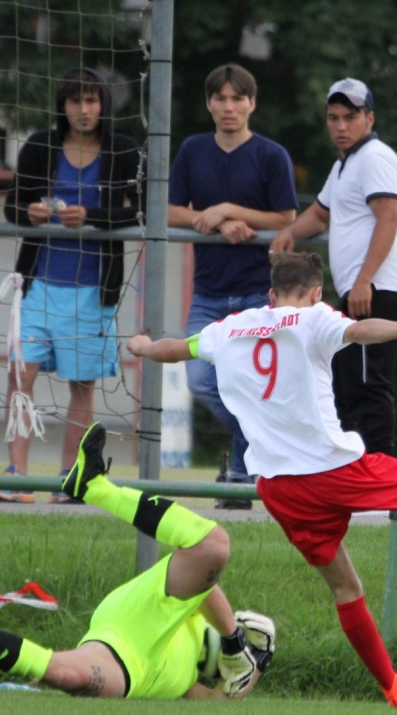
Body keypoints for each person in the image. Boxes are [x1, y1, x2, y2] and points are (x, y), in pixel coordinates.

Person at [126, 252, 397, 709]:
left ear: (270, 294)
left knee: (345, 589)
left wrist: (143, 347)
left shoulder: (230, 328)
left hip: (280, 488)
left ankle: (395, 688)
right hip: (333, 468)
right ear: (317, 292)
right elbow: (361, 330)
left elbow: (176, 349)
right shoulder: (314, 318)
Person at [0, 423, 274, 700]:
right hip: (132, 624)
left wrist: (258, 665)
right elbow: (208, 586)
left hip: (130, 670)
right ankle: (95, 488)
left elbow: (219, 703)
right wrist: (233, 639)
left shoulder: (188, 682)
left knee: (69, 677)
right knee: (213, 545)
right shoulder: (196, 611)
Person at [0, 68, 143, 505]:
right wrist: (31, 213)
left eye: (92, 101)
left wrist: (92, 217)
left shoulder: (124, 149)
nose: (84, 110)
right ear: (63, 106)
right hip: (37, 283)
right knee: (21, 375)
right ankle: (17, 476)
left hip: (94, 289)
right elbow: (13, 207)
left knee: (82, 385)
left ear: (103, 105)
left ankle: (70, 478)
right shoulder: (39, 145)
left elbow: (141, 211)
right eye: (75, 101)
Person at [168, 63, 298, 508]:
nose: (229, 106)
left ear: (251, 104)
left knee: (249, 387)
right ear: (208, 103)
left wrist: (227, 209)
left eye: (237, 98)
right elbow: (169, 210)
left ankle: (241, 480)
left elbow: (285, 217)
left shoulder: (271, 155)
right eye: (220, 98)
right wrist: (215, 221)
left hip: (257, 293)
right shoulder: (192, 150)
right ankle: (267, 442)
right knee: (201, 382)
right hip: (207, 291)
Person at [271, 78, 397, 457]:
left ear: (370, 118)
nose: (340, 126)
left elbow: (388, 219)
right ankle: (356, 468)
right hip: (363, 287)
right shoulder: (345, 165)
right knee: (347, 382)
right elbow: (321, 214)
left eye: (350, 117)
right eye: (333, 118)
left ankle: (380, 470)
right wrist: (289, 233)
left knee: (369, 383)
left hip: (377, 287)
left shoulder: (375, 158)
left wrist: (364, 280)